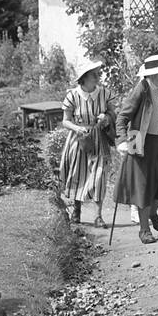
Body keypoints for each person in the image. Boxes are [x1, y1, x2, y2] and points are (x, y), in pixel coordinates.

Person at [114, 52, 158, 244]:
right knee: (143, 188)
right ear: (153, 74)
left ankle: (152, 212)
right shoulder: (142, 89)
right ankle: (144, 230)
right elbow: (122, 117)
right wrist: (122, 141)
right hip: (140, 142)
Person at [59, 58, 116, 227]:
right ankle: (77, 211)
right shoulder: (73, 95)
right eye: (93, 74)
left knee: (100, 175)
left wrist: (106, 117)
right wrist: (77, 129)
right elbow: (65, 121)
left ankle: (98, 216)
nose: (97, 77)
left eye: (97, 74)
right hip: (80, 140)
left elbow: (114, 114)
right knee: (78, 174)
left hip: (99, 139)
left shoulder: (104, 93)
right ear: (84, 77)